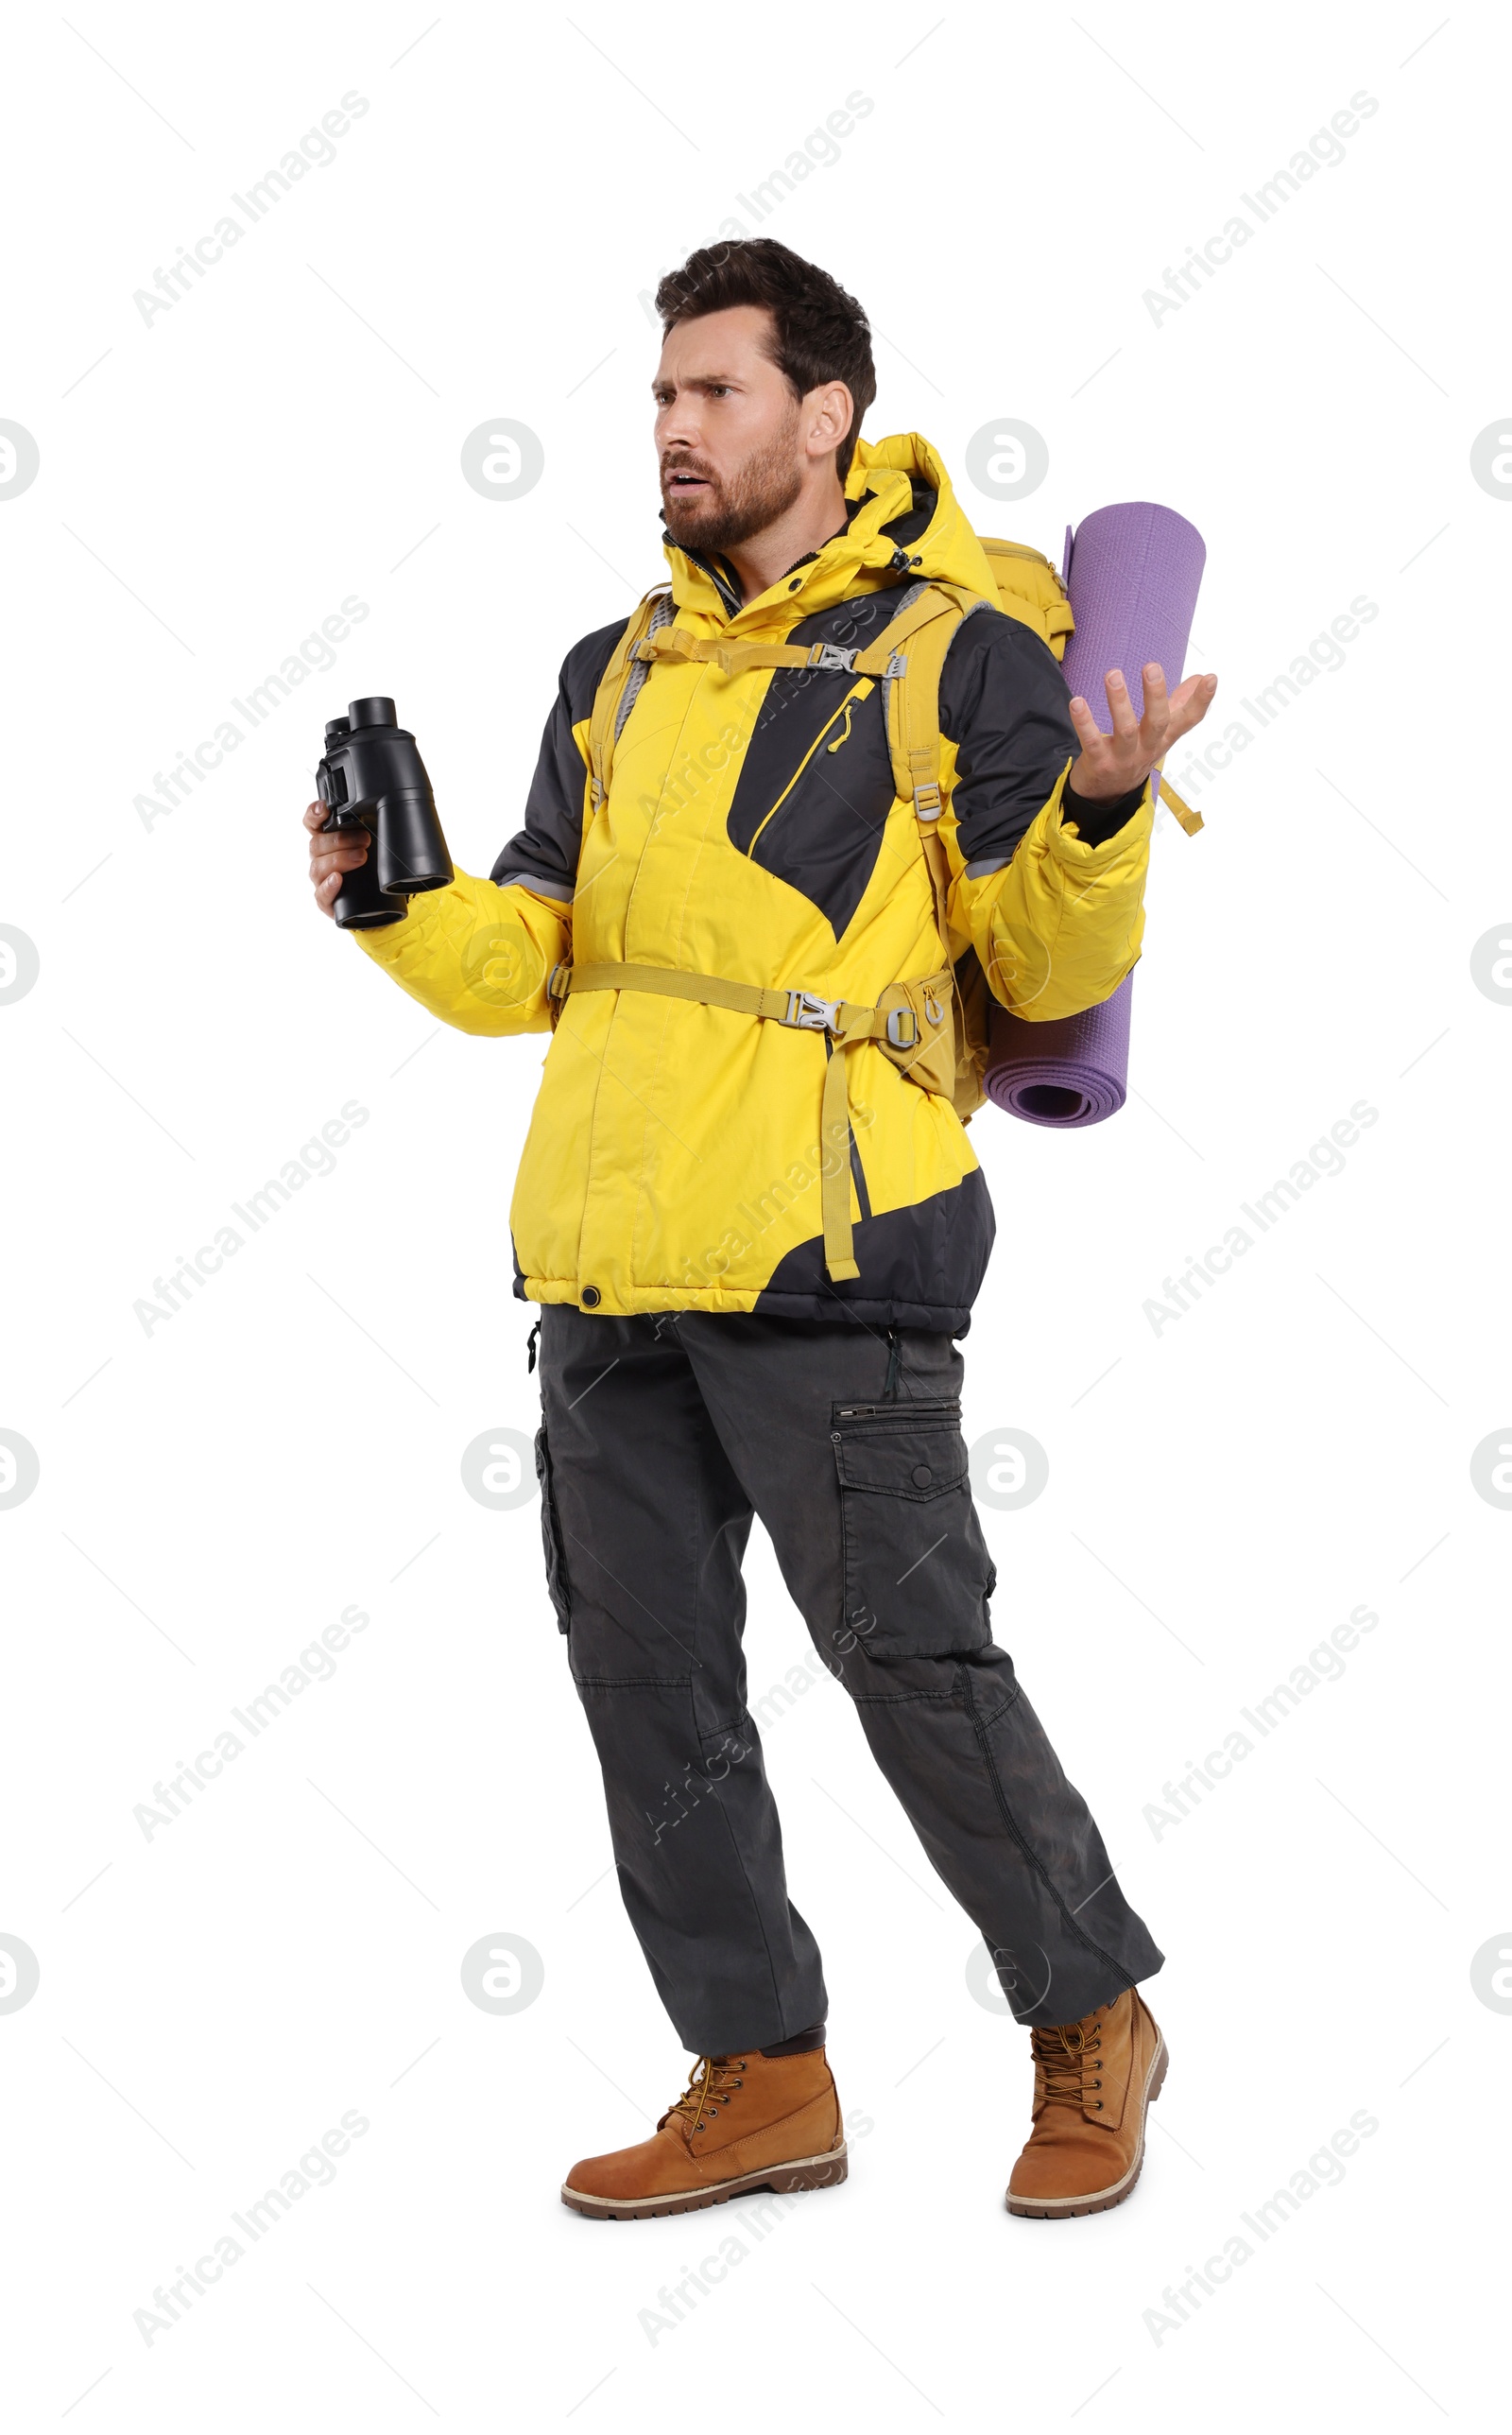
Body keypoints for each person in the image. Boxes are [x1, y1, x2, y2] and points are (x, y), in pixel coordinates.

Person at [304, 238, 1216, 2222]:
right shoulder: (613, 668)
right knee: (650, 1690)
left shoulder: (949, 655)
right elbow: (532, 957)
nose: (671, 429)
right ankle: (762, 2070)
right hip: (608, 1256)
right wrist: (397, 903)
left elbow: (1037, 950)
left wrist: (1098, 808)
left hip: (830, 1244)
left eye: (712, 392)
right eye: (657, 396)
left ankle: (1089, 2014)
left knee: (913, 1661)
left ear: (827, 414)